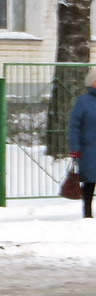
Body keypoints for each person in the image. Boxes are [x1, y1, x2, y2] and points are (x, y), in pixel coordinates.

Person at [67, 66, 96, 218]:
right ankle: (87, 213)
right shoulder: (83, 102)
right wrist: (75, 147)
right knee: (89, 183)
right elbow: (74, 126)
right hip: (89, 150)